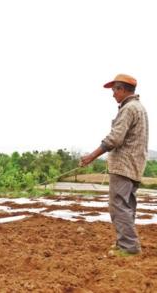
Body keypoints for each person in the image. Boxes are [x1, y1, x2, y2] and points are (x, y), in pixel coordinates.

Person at [80, 74, 148, 256]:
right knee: (127, 206)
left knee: (118, 205)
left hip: (124, 165)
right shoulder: (139, 108)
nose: (113, 94)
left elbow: (115, 138)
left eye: (114, 90)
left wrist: (92, 156)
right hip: (135, 165)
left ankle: (129, 248)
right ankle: (123, 243)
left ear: (122, 89)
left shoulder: (128, 109)